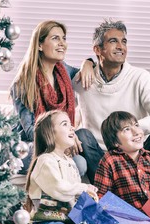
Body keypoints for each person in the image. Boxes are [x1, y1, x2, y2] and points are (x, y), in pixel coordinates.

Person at [72, 19, 150, 184]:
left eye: (124, 41)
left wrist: (131, 130)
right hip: (103, 157)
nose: (121, 46)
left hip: (137, 153)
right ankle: (112, 194)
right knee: (82, 135)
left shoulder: (140, 76)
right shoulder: (82, 79)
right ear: (97, 49)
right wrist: (87, 62)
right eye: (113, 41)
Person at [10, 20, 94, 176]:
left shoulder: (64, 71)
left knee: (81, 151)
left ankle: (106, 196)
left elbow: (87, 71)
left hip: (57, 141)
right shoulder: (22, 83)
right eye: (56, 38)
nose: (62, 43)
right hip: (29, 145)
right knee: (78, 165)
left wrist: (88, 62)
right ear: (40, 45)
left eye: (64, 38)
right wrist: (64, 138)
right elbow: (30, 131)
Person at [9, 110, 98, 224]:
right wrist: (84, 187)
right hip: (48, 220)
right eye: (64, 124)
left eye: (70, 124)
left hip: (67, 219)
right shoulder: (45, 161)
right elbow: (60, 189)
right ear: (50, 133)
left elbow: (72, 198)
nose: (72, 127)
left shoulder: (69, 161)